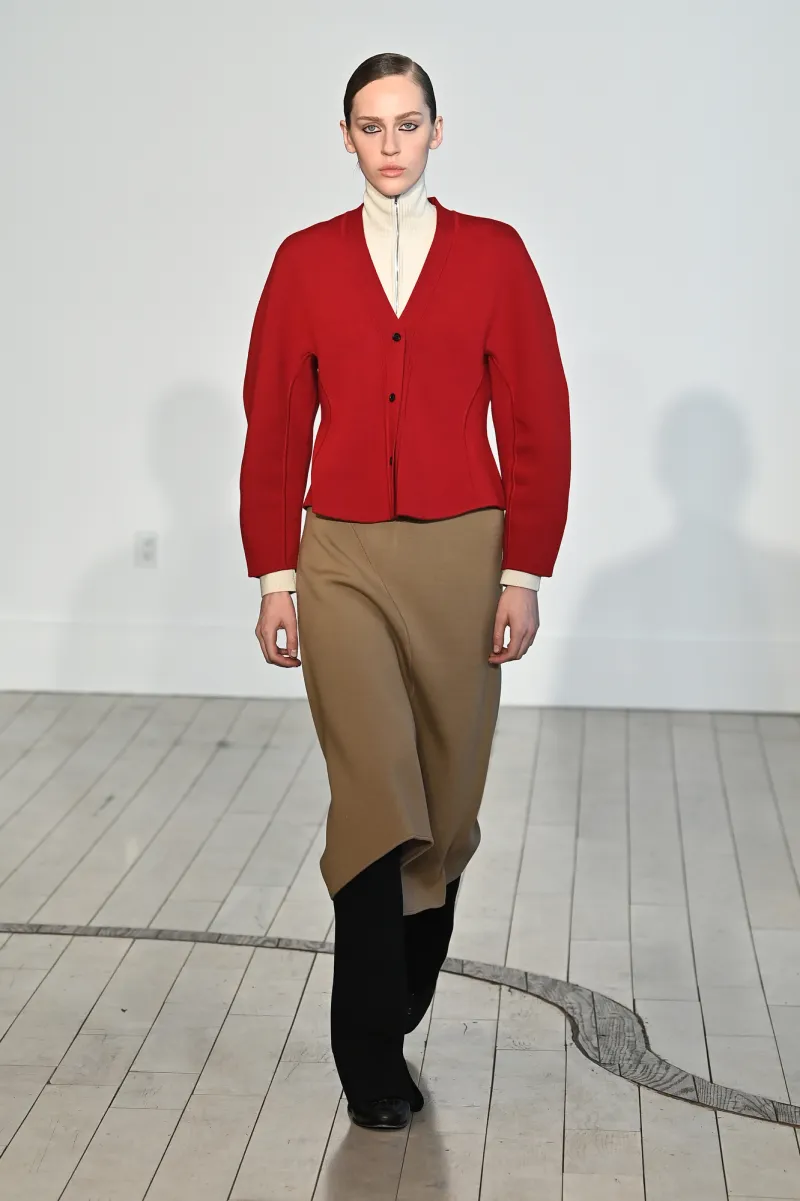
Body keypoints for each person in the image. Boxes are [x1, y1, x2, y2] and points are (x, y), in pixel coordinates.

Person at [239, 51, 571, 1131]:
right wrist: (275, 576)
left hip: (464, 556)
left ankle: (402, 981)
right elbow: (275, 425)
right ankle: (367, 1053)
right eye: (371, 126)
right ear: (344, 137)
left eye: (408, 123)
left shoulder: (494, 255)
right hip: (337, 555)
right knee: (375, 795)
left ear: (437, 130)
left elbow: (536, 417)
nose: (391, 144)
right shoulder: (302, 263)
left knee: (445, 805)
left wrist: (524, 569)